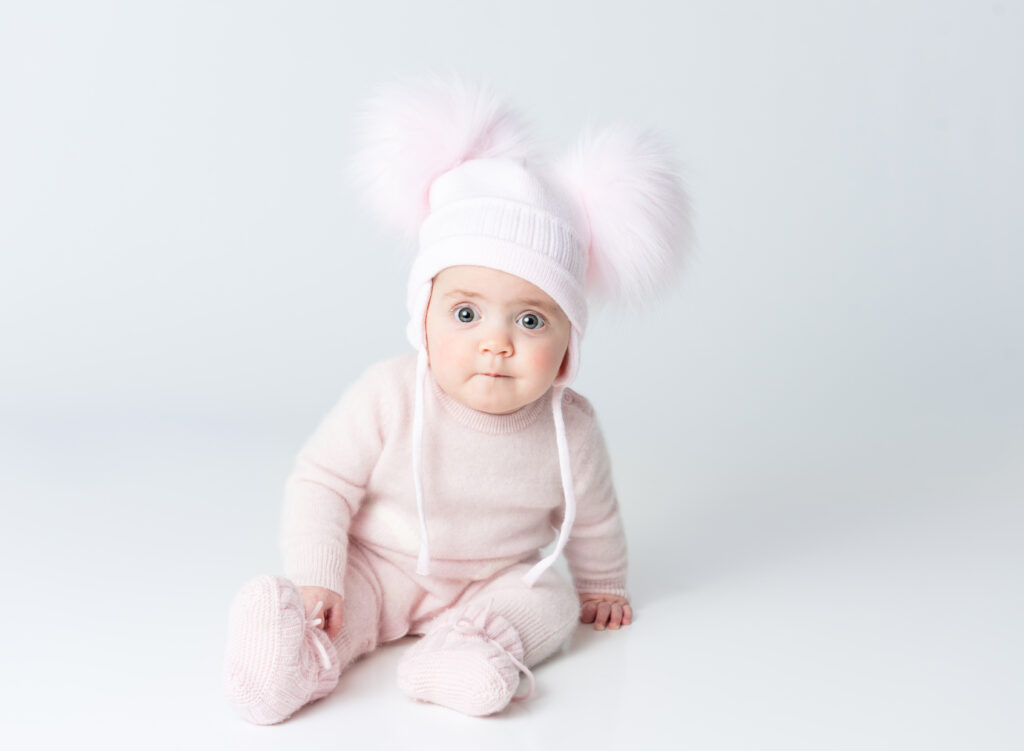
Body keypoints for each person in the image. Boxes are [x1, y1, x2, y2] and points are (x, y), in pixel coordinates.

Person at [223, 72, 693, 723]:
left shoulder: (570, 426)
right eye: (467, 314)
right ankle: (286, 654)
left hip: (490, 581)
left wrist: (604, 584)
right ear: (424, 317)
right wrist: (318, 573)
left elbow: (593, 520)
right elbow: (321, 482)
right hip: (382, 565)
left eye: (529, 321)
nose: (495, 343)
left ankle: (463, 655)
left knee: (549, 601)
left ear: (567, 342)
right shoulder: (390, 393)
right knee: (340, 610)